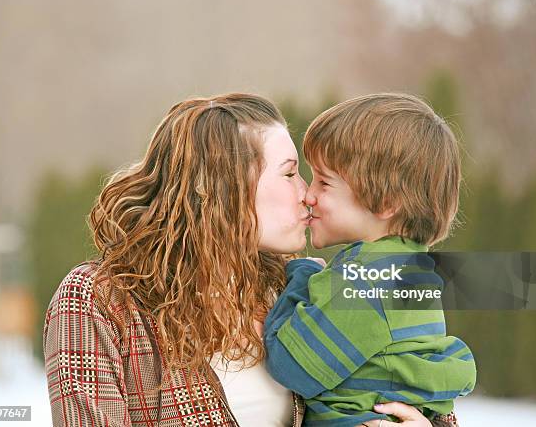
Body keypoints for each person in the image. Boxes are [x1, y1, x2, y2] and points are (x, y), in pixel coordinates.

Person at [43, 93, 456, 426]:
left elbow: (416, 384)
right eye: (291, 173)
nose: (307, 194)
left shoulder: (301, 286)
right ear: (225, 188)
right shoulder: (99, 300)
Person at [264, 93, 476, 426]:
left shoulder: (370, 280)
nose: (308, 195)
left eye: (324, 181)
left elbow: (290, 365)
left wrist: (301, 278)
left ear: (385, 202)